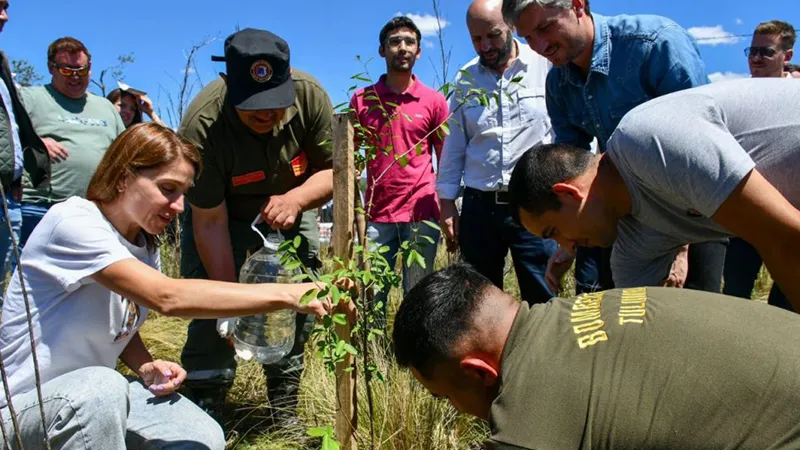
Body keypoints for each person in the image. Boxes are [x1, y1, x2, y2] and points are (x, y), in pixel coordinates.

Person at [0, 123, 349, 449]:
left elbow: (116, 323)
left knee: (202, 435)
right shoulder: (73, 222)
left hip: (93, 401)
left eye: (184, 193)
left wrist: (144, 366)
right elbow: (166, 296)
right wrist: (290, 293)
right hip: (24, 409)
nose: (179, 206)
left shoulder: (142, 242)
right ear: (123, 177)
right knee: (101, 388)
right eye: (168, 189)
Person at [393, 263, 800, 449]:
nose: (455, 410)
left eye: (444, 397)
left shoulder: (527, 419)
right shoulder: (569, 314)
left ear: (479, 372)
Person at [507, 78, 800, 311]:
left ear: (569, 193)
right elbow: (635, 325)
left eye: (555, 232)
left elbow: (786, 239)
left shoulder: (645, 143)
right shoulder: (633, 243)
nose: (567, 247)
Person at [502, 0, 723, 296]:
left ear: (577, 5)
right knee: (628, 310)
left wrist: (681, 245)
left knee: (696, 310)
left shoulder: (654, 45)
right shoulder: (558, 83)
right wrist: (567, 242)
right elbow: (568, 167)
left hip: (696, 212)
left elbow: (697, 150)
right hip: (630, 220)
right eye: (528, 37)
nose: (540, 46)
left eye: (545, 27)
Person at [177, 28, 334, 426]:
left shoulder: (311, 96)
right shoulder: (202, 124)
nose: (267, 116)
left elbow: (336, 171)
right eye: (254, 109)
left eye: (275, 106)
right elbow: (209, 221)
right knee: (210, 310)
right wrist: (229, 303)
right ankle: (206, 405)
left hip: (293, 210)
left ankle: (284, 408)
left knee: (295, 302)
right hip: (221, 216)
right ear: (229, 84)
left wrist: (296, 199)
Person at [437, 0, 557, 304]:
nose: (485, 46)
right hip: (480, 207)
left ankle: (537, 338)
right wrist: (447, 202)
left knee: (542, 296)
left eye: (493, 35)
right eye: (476, 39)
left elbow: (563, 132)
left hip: (533, 202)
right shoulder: (466, 79)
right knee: (478, 300)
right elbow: (455, 144)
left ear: (511, 26)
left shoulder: (544, 65)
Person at [349, 16, 448, 327]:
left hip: (422, 213)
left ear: (418, 51)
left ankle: (412, 354)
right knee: (372, 296)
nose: (402, 47)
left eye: (409, 42)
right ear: (382, 50)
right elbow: (350, 159)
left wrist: (449, 208)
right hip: (377, 215)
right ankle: (376, 352)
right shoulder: (362, 100)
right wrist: (351, 212)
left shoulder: (434, 101)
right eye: (394, 42)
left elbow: (446, 158)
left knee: (417, 296)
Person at [19, 37, 125, 247]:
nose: (75, 76)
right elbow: (6, 136)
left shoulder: (106, 107)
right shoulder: (28, 98)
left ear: (90, 67)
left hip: (93, 212)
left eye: (81, 70)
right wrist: (34, 142)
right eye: (66, 70)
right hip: (39, 207)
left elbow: (126, 149)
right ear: (51, 68)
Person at [722, 20, 796, 307]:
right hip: (747, 208)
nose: (755, 58)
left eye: (766, 52)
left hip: (792, 210)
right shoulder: (736, 96)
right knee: (735, 292)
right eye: (752, 51)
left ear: (787, 56)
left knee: (787, 299)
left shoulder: (796, 93)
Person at [0, 0, 49, 300]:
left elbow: (9, 127)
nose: (4, 16)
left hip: (8, 195)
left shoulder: (1, 63)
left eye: (6, 7)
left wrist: (14, 177)